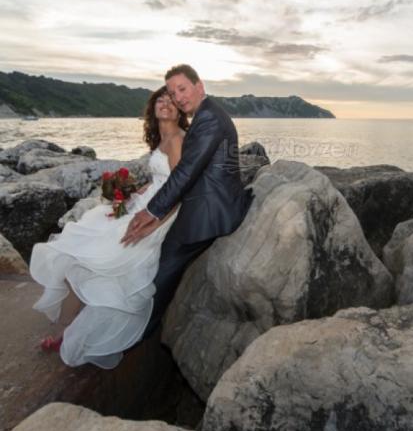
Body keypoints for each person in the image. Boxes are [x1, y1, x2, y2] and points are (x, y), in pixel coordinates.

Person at [30, 86, 188, 368]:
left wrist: (152, 224)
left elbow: (178, 190)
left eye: (171, 101)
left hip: (159, 214)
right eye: (160, 100)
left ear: (179, 109)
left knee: (103, 256)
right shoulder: (163, 137)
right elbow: (161, 179)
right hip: (148, 205)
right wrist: (138, 192)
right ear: (153, 108)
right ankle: (71, 330)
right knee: (90, 240)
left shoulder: (177, 139)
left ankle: (72, 335)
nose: (165, 104)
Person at [122, 64, 253, 337]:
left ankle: (137, 333)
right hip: (208, 200)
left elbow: (186, 171)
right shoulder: (207, 114)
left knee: (161, 270)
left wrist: (152, 212)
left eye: (182, 89)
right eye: (172, 92)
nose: (178, 97)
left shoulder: (209, 119)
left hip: (210, 212)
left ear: (199, 86)